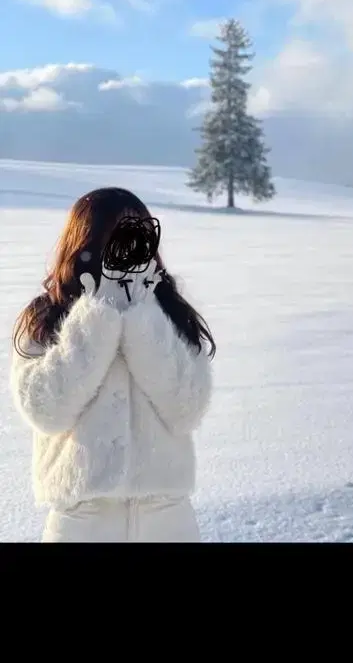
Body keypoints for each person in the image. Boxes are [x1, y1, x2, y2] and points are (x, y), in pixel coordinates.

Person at [10, 187, 215, 543]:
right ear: (85, 242)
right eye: (113, 237)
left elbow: (187, 408)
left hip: (167, 520)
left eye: (138, 235)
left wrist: (141, 314)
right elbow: (46, 410)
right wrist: (96, 314)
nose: (126, 250)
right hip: (80, 522)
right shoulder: (45, 317)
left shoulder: (169, 312)